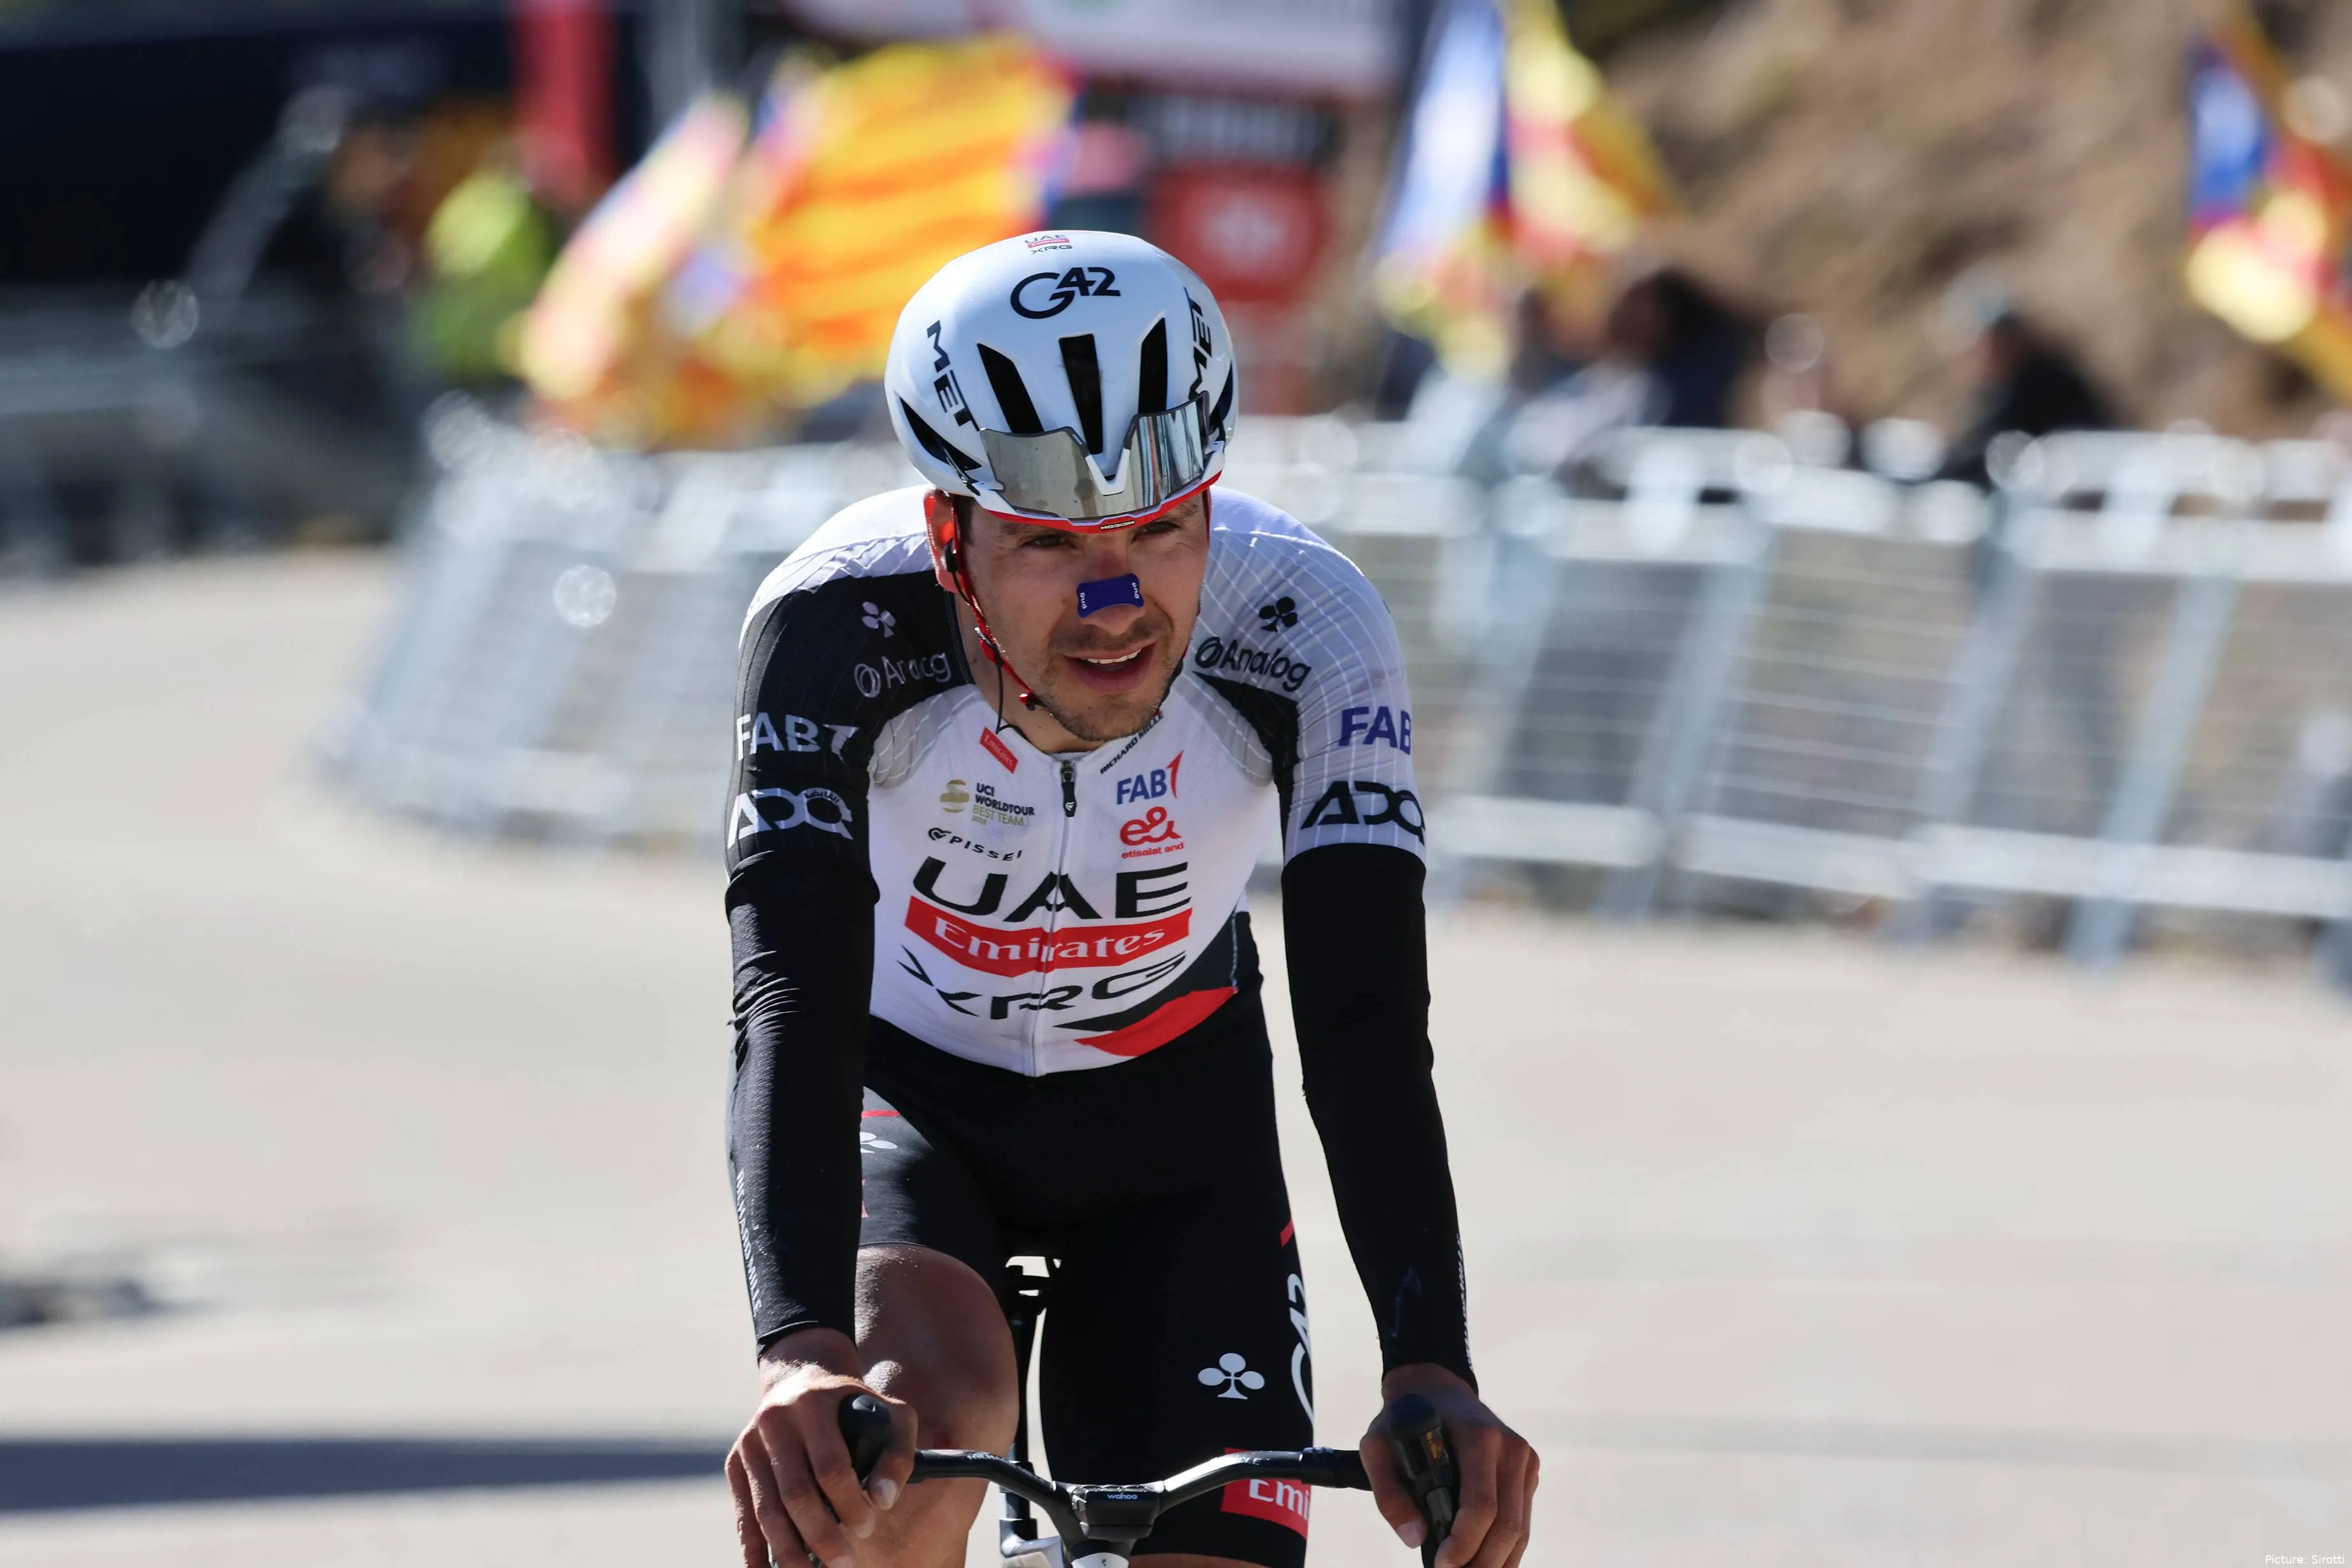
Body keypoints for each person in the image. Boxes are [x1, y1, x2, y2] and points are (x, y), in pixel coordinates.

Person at [721, 231, 1539, 1568]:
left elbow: (1368, 1019)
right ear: (948, 531)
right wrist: (799, 1350)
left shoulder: (1311, 626)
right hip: (910, 1099)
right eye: (1049, 541)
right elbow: (789, 990)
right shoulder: (831, 626)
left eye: (1161, 527)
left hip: (1176, 1118)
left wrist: (1428, 1358)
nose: (1115, 602)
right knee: (891, 1451)